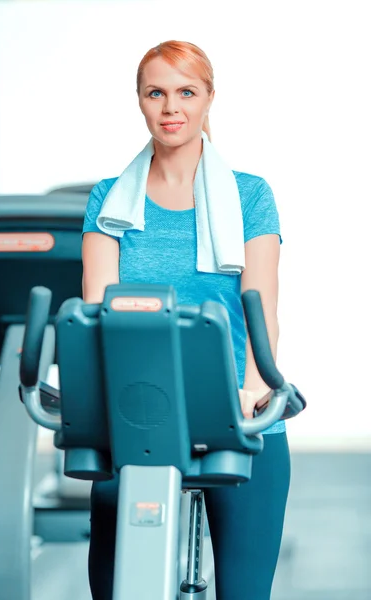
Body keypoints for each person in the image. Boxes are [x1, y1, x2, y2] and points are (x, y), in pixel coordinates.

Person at [82, 40, 290, 600]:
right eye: (156, 92)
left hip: (236, 412)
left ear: (208, 100)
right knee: (118, 587)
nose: (171, 106)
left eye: (185, 92)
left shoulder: (250, 195)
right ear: (140, 102)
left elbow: (262, 302)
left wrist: (253, 390)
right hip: (137, 413)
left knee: (245, 592)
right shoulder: (108, 200)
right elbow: (98, 309)